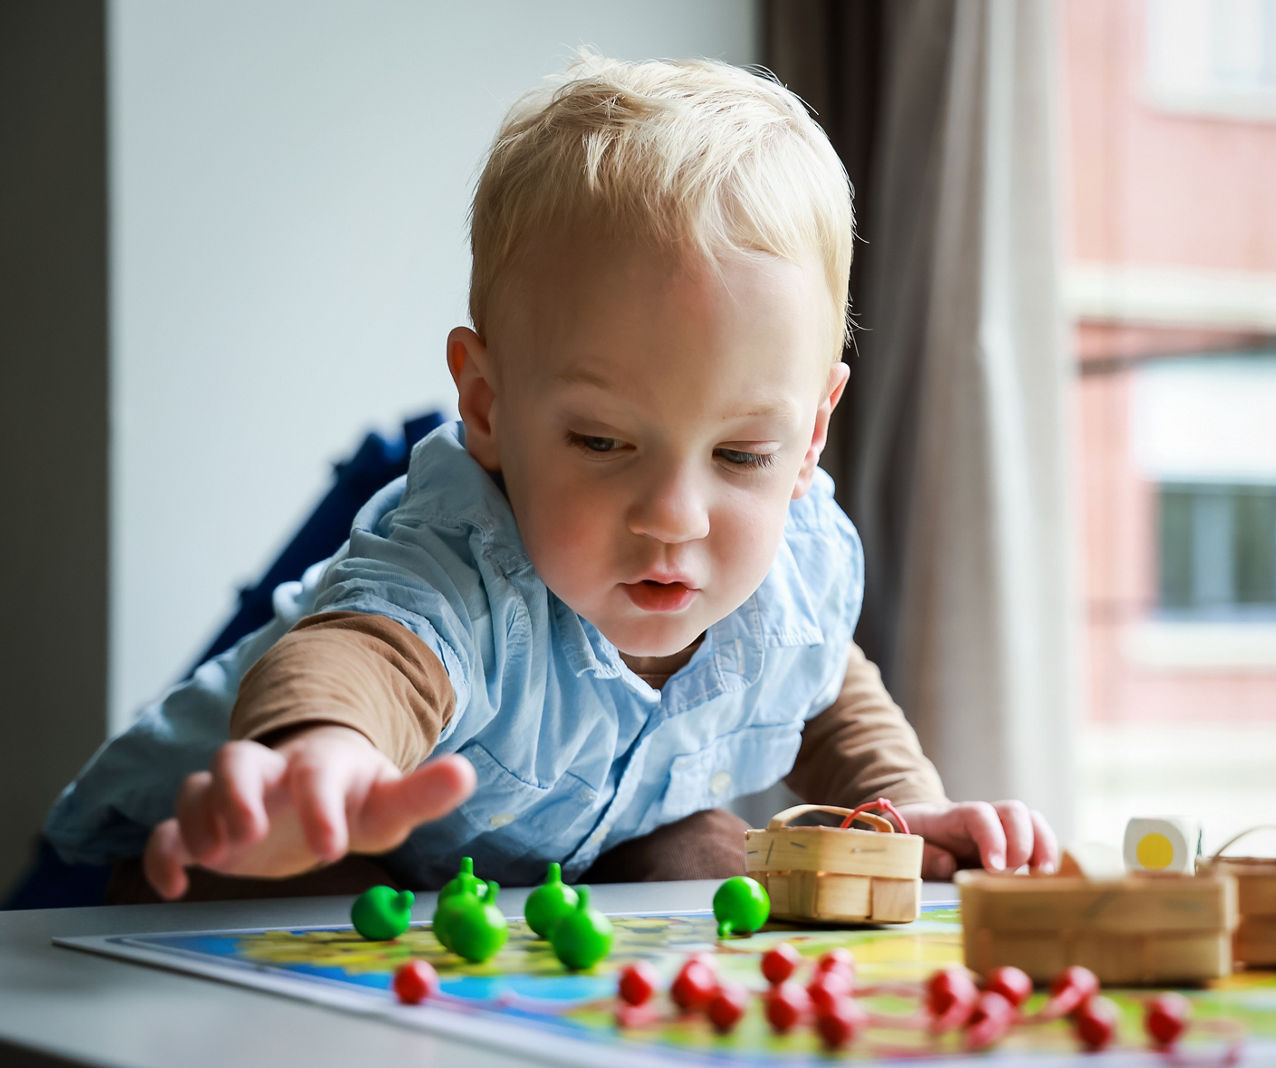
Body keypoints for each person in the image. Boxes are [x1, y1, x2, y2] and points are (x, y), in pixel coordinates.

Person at [43, 53, 1059, 903]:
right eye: (603, 443)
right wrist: (323, 756)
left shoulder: (789, 568)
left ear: (809, 439)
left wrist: (898, 803)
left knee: (710, 856)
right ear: (487, 409)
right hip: (238, 845)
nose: (673, 517)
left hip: (535, 854)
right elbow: (371, 650)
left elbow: (820, 678)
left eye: (740, 455)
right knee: (310, 855)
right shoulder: (458, 556)